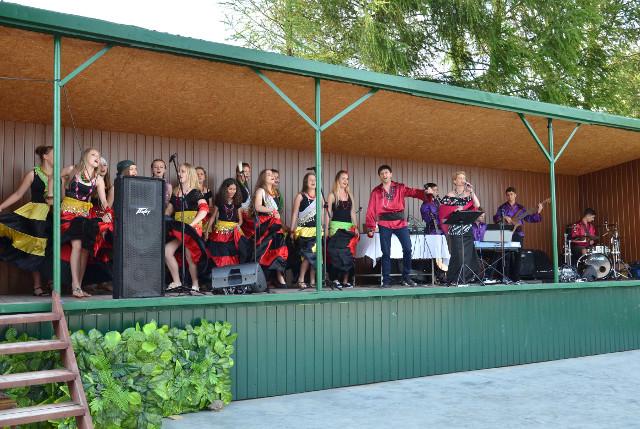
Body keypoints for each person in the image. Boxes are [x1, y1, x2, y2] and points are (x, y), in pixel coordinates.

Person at [0, 145, 54, 296]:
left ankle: (51, 281)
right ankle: (37, 286)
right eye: (54, 153)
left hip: (53, 214)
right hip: (35, 215)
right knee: (35, 248)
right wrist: (1, 207)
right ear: (45, 156)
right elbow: (18, 194)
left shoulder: (59, 175)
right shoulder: (33, 174)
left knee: (51, 248)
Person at [365, 164, 428, 288]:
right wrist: (371, 227)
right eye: (382, 173)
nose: (384, 175)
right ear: (379, 176)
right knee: (386, 252)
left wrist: (425, 193)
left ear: (391, 174)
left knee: (408, 248)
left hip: (400, 222)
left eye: (386, 172)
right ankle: (386, 280)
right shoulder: (376, 191)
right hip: (384, 223)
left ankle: (406, 277)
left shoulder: (400, 187)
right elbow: (371, 209)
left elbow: (413, 192)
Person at [60, 148, 112, 298]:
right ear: (85, 157)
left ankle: (79, 286)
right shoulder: (72, 170)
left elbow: (103, 201)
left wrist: (107, 212)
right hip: (69, 214)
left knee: (85, 250)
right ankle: (75, 286)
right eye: (93, 154)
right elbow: (55, 178)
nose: (97, 157)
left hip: (84, 215)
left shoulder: (98, 179)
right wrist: (57, 195)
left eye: (99, 156)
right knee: (77, 246)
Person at [165, 163, 210, 292]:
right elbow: (169, 210)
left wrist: (192, 224)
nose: (179, 173)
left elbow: (204, 209)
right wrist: (164, 217)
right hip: (179, 228)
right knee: (167, 251)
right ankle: (177, 281)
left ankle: (195, 284)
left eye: (183, 171)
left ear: (189, 174)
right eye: (179, 171)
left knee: (190, 257)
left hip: (191, 229)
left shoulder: (195, 192)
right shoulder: (176, 192)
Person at [493, 187, 543, 282]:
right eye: (508, 195)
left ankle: (516, 279)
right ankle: (505, 278)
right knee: (506, 256)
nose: (510, 196)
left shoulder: (521, 208)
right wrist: (504, 217)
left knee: (518, 256)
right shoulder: (502, 207)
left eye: (511, 194)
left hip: (518, 233)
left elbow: (530, 218)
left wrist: (538, 212)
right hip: (506, 233)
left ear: (515, 195)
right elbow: (496, 218)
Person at [439, 171, 481, 284]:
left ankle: (467, 278)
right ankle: (454, 278)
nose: (463, 180)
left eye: (464, 178)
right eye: (460, 178)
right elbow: (442, 211)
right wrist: (454, 210)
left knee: (468, 254)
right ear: (455, 181)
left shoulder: (469, 194)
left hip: (466, 228)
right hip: (455, 228)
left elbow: (477, 205)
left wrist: (472, 191)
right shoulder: (450, 195)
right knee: (458, 254)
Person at [251, 169, 288, 288]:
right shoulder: (261, 191)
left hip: (276, 224)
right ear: (263, 178)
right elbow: (258, 207)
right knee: (265, 251)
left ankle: (279, 276)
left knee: (279, 249)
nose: (272, 176)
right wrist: (271, 210)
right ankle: (263, 279)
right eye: (268, 174)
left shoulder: (276, 192)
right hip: (266, 225)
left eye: (272, 174)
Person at [326, 170, 359, 289]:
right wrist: (326, 228)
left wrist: (355, 227)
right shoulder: (332, 195)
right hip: (336, 228)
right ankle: (335, 279)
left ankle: (345, 280)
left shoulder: (350, 195)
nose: (345, 181)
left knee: (347, 254)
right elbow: (327, 213)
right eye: (343, 178)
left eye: (347, 179)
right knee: (336, 254)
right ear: (337, 180)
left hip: (348, 228)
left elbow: (352, 213)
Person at [206, 178, 249, 267]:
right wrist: (207, 231)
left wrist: (238, 226)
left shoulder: (237, 202)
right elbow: (213, 217)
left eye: (234, 189)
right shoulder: (220, 201)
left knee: (233, 251)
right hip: (221, 230)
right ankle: (222, 270)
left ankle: (232, 272)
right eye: (230, 189)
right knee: (221, 251)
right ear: (225, 189)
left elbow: (240, 220)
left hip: (233, 230)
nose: (232, 191)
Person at [290, 172, 322, 290]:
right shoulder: (300, 196)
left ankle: (313, 280)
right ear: (306, 182)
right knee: (308, 256)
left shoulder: (319, 196)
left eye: (315, 180)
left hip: (316, 230)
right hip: (304, 231)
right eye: (311, 180)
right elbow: (295, 213)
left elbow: (321, 214)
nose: (313, 182)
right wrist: (292, 229)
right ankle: (301, 279)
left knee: (316, 256)